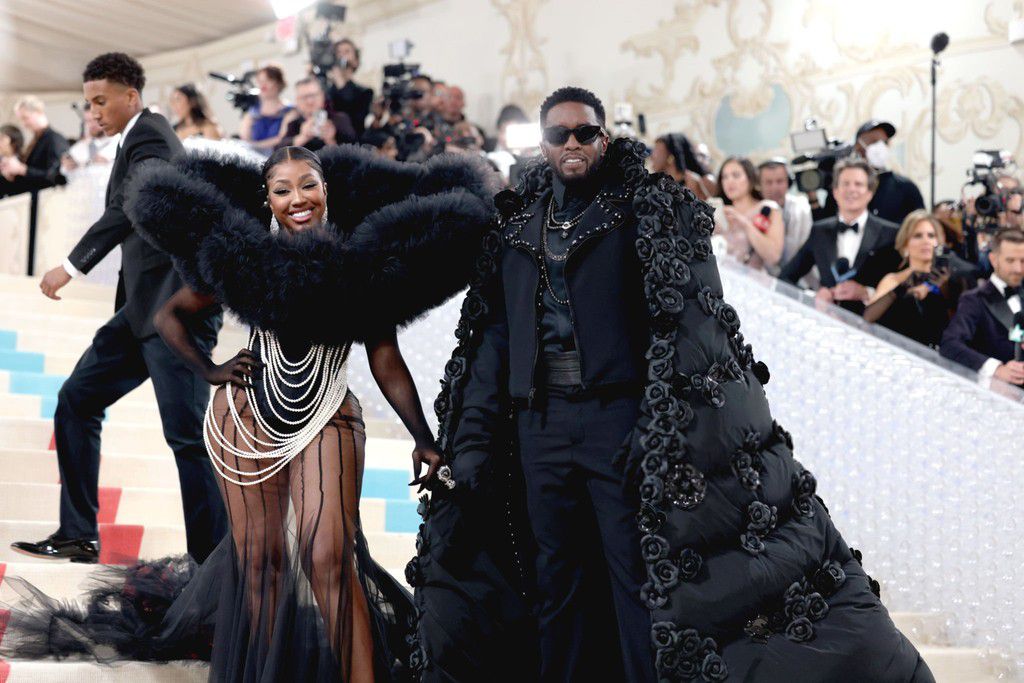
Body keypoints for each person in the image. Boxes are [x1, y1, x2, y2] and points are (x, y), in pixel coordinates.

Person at [408, 86, 932, 682]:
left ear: (605, 139)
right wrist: (471, 442)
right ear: (544, 144)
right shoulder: (516, 227)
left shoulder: (643, 211)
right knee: (558, 581)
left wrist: (657, 427)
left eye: (585, 133)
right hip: (540, 424)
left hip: (618, 421)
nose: (573, 144)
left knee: (637, 582)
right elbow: (492, 343)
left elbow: (684, 326)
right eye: (560, 135)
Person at [0, 145, 499, 680]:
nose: (297, 199)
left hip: (330, 412)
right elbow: (169, 316)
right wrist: (210, 369)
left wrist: (421, 437)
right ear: (268, 200)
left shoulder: (358, 256)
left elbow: (384, 355)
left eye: (308, 185)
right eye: (282, 190)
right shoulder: (247, 256)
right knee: (259, 565)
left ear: (326, 188)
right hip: (245, 419)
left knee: (330, 558)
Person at [11, 53, 227, 566]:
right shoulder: (135, 138)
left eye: (101, 101)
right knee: (77, 400)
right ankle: (78, 533)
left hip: (175, 316)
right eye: (88, 104)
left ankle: (215, 567)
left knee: (187, 440)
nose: (93, 112)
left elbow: (130, 204)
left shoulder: (150, 135)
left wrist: (70, 264)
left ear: (131, 96)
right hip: (138, 314)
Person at [780, 158, 901, 314]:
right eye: (845, 184)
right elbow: (785, 278)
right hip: (827, 323)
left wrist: (867, 293)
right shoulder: (819, 231)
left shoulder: (891, 234)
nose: (851, 190)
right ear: (835, 192)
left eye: (858, 184)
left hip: (875, 326)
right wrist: (813, 297)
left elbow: (901, 287)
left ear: (870, 193)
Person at [940, 227, 1024, 385]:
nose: (1018, 269)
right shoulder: (974, 300)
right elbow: (950, 344)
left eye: (1023, 261)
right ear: (993, 260)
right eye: (1010, 260)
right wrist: (997, 369)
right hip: (997, 394)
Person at [864, 211, 953, 348]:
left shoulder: (950, 282)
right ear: (905, 244)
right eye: (918, 236)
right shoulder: (892, 280)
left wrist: (943, 288)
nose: (926, 241)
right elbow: (868, 318)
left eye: (931, 235)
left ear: (939, 242)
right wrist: (903, 287)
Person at [715, 155, 784, 271]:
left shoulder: (767, 209)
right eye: (725, 177)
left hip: (753, 282)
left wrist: (744, 223)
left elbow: (774, 256)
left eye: (736, 175)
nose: (729, 181)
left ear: (750, 179)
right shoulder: (720, 213)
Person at [855, 119, 925, 225]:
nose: (880, 147)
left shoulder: (905, 187)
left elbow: (919, 226)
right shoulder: (846, 187)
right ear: (858, 146)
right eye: (874, 142)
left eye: (885, 142)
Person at [0, 95, 69, 194]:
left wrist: (22, 169)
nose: (24, 124)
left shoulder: (54, 140)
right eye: (21, 119)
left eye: (25, 118)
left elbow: (57, 177)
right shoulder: (36, 141)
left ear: (38, 112)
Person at [758, 158, 812, 275]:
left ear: (789, 182)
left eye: (780, 181)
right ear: (759, 185)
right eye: (768, 182)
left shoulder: (802, 206)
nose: (774, 188)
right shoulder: (755, 210)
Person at [277, 76, 357, 151]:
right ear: (297, 101)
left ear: (322, 96)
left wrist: (330, 140)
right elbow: (278, 151)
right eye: (304, 97)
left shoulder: (340, 119)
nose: (310, 101)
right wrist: (303, 137)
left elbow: (354, 149)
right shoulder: (294, 123)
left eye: (313, 95)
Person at [239, 65, 298, 155]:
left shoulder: (290, 111)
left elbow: (282, 139)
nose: (263, 85)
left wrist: (254, 146)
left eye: (268, 80)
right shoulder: (253, 110)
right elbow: (244, 137)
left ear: (278, 83)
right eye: (260, 81)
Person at [327, 38, 373, 138]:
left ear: (356, 60)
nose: (342, 55)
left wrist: (339, 79)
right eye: (338, 52)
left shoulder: (365, 93)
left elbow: (357, 123)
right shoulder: (326, 92)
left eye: (347, 51)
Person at [649, 133, 717, 201]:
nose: (651, 157)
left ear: (671, 156)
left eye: (656, 150)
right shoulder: (658, 186)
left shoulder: (699, 183)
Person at [62, 103, 117, 171]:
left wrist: (109, 165)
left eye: (95, 120)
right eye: (87, 121)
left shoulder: (119, 144)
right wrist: (69, 166)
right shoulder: (80, 148)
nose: (91, 125)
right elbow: (64, 171)